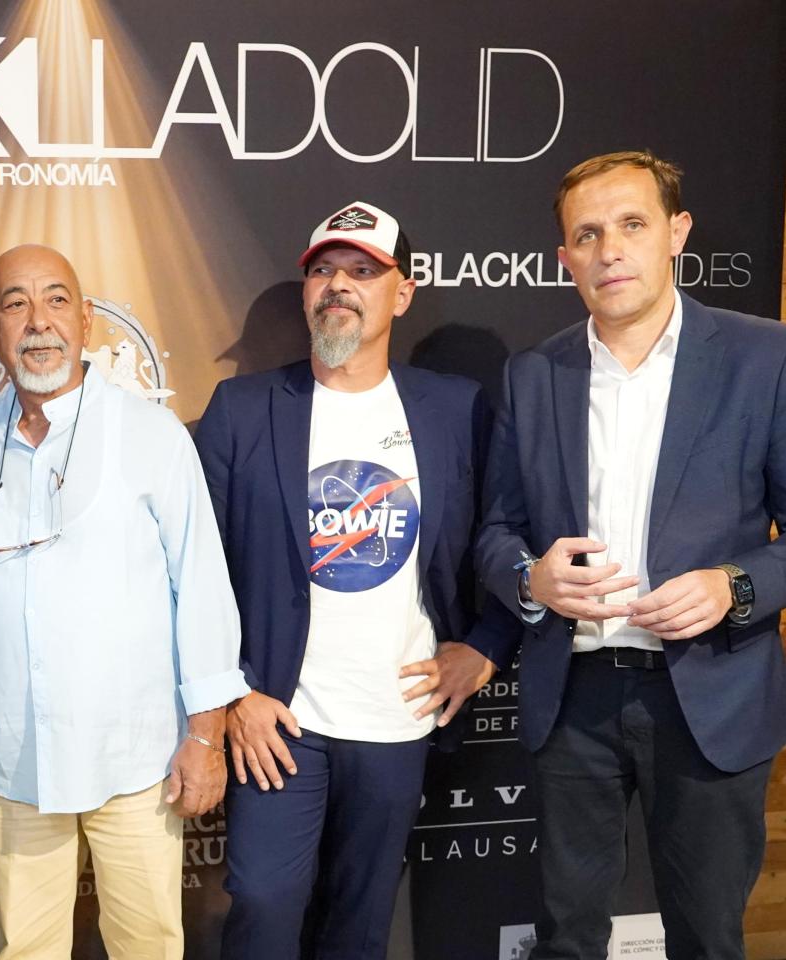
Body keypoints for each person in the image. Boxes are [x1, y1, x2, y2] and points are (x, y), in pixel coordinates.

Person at [476, 150, 786, 959]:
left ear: (677, 232)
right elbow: (494, 533)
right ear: (565, 257)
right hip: (572, 698)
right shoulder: (532, 375)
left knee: (706, 938)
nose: (610, 250)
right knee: (566, 938)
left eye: (632, 224)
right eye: (588, 234)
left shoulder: (767, 359)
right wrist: (529, 578)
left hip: (710, 695)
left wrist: (734, 585)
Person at [195, 201, 516, 959]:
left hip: (397, 718)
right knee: (263, 905)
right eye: (324, 271)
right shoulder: (243, 409)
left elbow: (507, 534)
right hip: (279, 720)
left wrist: (487, 645)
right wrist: (233, 691)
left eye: (364, 271)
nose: (339, 285)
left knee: (360, 924)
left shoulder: (455, 409)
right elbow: (195, 567)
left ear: (401, 294)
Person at [0, 244, 248, 960]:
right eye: (15, 304)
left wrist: (206, 736)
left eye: (56, 300)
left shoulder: (153, 435)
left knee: (147, 947)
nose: (37, 321)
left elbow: (201, 586)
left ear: (86, 321)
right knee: (25, 948)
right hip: (13, 754)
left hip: (134, 757)